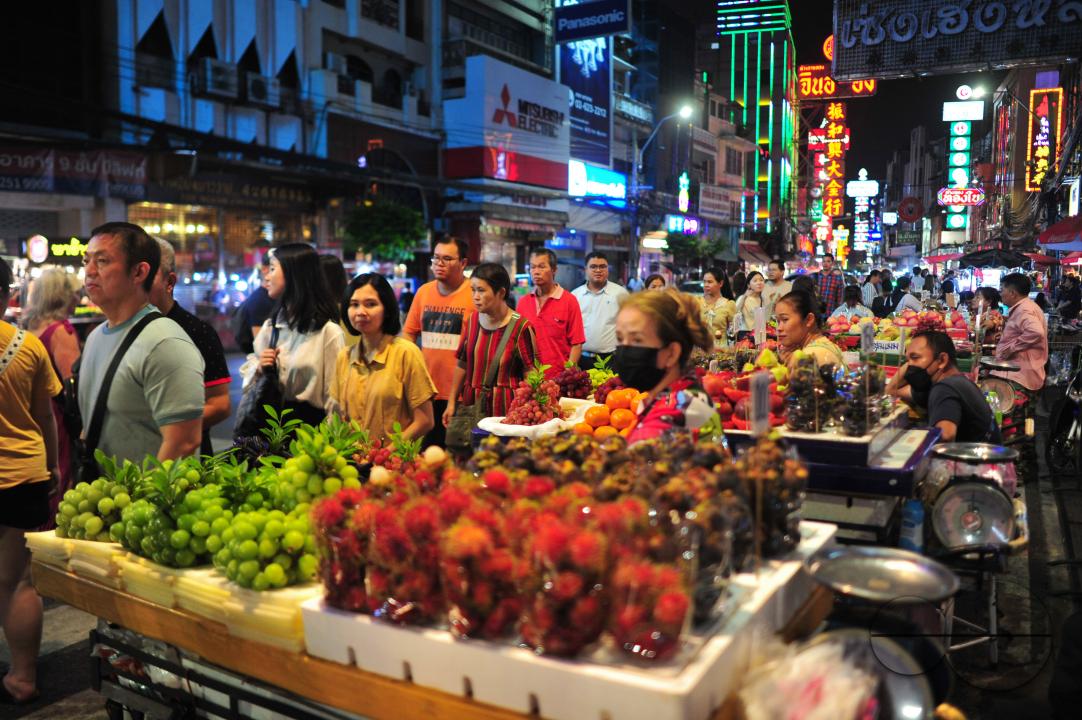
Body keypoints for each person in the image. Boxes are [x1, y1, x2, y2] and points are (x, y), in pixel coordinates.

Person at [78, 222, 204, 462]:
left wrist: (146, 487)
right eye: (86, 261)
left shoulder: (165, 342)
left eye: (102, 261)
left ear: (139, 272)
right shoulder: (95, 337)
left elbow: (184, 442)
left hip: (147, 487)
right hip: (104, 485)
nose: (90, 271)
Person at [0, 257, 61, 704]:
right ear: (9, 295)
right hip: (23, 475)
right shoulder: (27, 345)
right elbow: (46, 418)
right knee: (17, 582)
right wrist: (54, 466)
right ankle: (23, 678)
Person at [148, 238, 232, 456]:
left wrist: (168, 430)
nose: (138, 282)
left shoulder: (198, 332)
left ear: (169, 282)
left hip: (189, 460)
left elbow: (220, 404)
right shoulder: (120, 330)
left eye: (148, 274)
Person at [250, 243, 345, 426]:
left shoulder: (328, 332)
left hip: (312, 432)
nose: (267, 276)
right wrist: (260, 367)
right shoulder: (271, 327)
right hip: (271, 429)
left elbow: (335, 399)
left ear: (293, 274)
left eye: (272, 269)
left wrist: (330, 440)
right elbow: (250, 374)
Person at [333, 273, 436, 441]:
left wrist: (387, 452)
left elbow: (425, 420)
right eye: (354, 304)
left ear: (387, 309)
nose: (360, 312)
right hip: (352, 456)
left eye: (371, 304)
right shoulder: (344, 357)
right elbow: (338, 417)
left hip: (394, 456)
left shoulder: (406, 353)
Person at [616, 289, 720, 444]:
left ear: (672, 353)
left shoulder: (666, 425)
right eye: (620, 338)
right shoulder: (687, 393)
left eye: (637, 340)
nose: (625, 349)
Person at [444, 263, 543, 425]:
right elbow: (462, 364)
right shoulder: (472, 321)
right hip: (472, 408)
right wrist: (452, 401)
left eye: (481, 290)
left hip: (507, 411)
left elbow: (530, 372)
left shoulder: (521, 327)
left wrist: (530, 409)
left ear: (501, 292)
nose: (475, 296)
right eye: (473, 290)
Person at [403, 236, 476, 449]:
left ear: (463, 263)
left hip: (462, 396)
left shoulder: (475, 294)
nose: (439, 264)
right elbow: (408, 335)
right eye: (436, 258)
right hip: (425, 393)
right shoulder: (424, 292)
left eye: (447, 259)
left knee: (457, 454)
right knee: (424, 454)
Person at [22, 267, 81, 520]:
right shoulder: (61, 331)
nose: (79, 298)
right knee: (58, 483)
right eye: (75, 293)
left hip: (28, 414)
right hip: (54, 419)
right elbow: (73, 386)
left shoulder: (27, 328)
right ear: (61, 295)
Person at [886, 331, 1000, 443]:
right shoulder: (957, 383)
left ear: (942, 360)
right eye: (907, 360)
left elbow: (945, 435)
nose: (909, 365)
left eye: (915, 357)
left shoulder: (945, 388)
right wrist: (911, 361)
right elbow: (892, 390)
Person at [518, 248, 585, 368]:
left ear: (554, 270)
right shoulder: (523, 303)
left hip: (559, 376)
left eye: (541, 267)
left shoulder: (569, 301)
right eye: (533, 267)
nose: (536, 272)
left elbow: (577, 344)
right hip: (530, 376)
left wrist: (568, 372)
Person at [572, 252, 628, 372]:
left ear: (608, 269)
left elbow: (629, 326)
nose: (598, 270)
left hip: (611, 359)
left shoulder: (620, 294)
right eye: (593, 267)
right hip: (581, 359)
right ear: (585, 270)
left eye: (602, 266)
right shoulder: (575, 296)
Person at [994, 272, 1048, 392]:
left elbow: (1036, 332)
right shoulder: (1025, 307)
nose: (1000, 294)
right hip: (1018, 372)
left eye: (1002, 290)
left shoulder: (1024, 310)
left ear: (1013, 293)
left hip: (1019, 374)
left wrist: (1011, 348)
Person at [774, 290, 845, 373]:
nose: (779, 328)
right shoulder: (822, 345)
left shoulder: (809, 356)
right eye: (778, 321)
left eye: (785, 319)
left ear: (809, 320)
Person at [234, 255, 275, 353]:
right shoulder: (259, 300)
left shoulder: (271, 297)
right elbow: (261, 346)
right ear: (264, 270)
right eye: (273, 268)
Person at [699, 267, 737, 346]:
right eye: (704, 282)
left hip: (721, 351)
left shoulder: (729, 304)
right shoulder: (697, 302)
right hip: (699, 350)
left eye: (710, 282)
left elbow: (734, 334)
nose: (706, 285)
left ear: (720, 283)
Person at [734, 271, 766, 335]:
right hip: (747, 336)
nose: (759, 283)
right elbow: (734, 312)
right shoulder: (744, 298)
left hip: (761, 335)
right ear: (749, 285)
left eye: (761, 280)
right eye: (755, 281)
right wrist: (744, 296)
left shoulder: (763, 299)